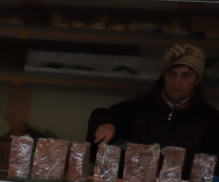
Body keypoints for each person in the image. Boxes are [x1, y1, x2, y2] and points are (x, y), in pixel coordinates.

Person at [88, 42, 219, 172]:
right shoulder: (138, 107)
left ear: (197, 79)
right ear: (164, 76)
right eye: (172, 74)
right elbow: (103, 115)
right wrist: (106, 124)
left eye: (186, 75)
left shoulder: (210, 118)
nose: (177, 82)